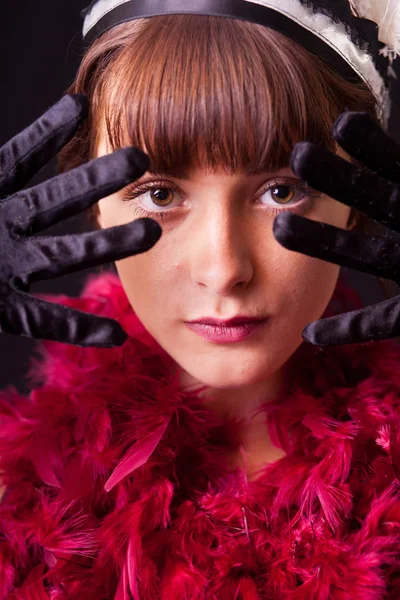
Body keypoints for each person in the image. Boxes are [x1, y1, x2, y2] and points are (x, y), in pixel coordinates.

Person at [0, 0, 400, 597]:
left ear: (358, 200)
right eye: (160, 193)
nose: (224, 270)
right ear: (91, 199)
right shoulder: (16, 490)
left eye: (282, 190)